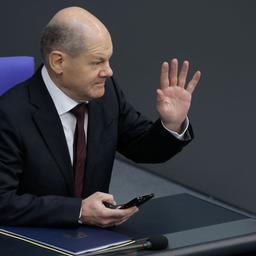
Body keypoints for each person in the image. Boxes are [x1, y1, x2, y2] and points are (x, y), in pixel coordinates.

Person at [0, 7, 201, 228]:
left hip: (94, 239)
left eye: (108, 60)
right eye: (97, 62)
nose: (109, 71)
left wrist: (171, 123)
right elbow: (3, 202)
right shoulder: (9, 114)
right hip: (32, 240)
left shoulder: (105, 95)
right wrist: (78, 212)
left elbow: (142, 146)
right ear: (58, 62)